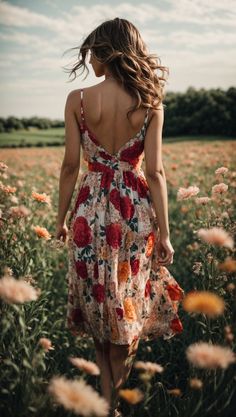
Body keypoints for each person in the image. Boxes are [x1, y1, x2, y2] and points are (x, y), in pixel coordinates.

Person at [56, 17, 184, 417]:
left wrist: (61, 219)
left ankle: (106, 404)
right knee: (125, 307)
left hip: (90, 212)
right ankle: (115, 405)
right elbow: (156, 173)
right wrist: (165, 234)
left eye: (94, 51)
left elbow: (70, 166)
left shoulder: (78, 100)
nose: (90, 58)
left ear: (108, 52)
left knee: (99, 303)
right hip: (134, 215)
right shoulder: (149, 102)